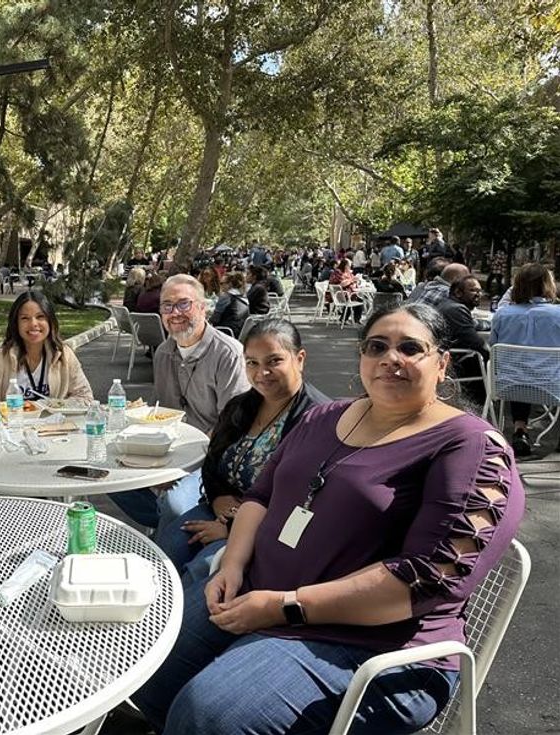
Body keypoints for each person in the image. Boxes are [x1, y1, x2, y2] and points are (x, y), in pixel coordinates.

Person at [132, 303, 524, 734]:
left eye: (410, 348)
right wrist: (233, 563)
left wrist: (285, 607)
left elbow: (428, 578)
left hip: (364, 643)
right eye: (377, 346)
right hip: (254, 592)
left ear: (442, 363)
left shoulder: (470, 448)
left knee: (207, 714)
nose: (391, 358)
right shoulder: (325, 415)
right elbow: (260, 496)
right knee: (147, 667)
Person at [156, 319, 329, 585]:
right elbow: (213, 461)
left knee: (199, 571)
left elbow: (305, 503)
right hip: (221, 510)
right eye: (252, 363)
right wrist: (218, 498)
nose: (262, 373)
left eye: (274, 361)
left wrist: (230, 529)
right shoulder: (240, 406)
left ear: (300, 359)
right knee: (164, 553)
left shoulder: (318, 421)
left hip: (268, 530)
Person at [111, 274, 250, 528]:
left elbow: (231, 426)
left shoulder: (228, 354)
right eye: (167, 306)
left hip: (210, 457)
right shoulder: (163, 353)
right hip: (169, 449)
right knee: (111, 476)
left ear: (202, 308)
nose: (175, 312)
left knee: (173, 504)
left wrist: (176, 467)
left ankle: (173, 529)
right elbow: (162, 413)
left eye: (183, 304)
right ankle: (176, 525)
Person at [0, 290, 93, 409]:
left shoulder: (64, 354)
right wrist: (7, 410)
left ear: (50, 321)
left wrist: (55, 407)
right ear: (16, 323)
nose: (33, 323)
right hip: (10, 426)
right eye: (25, 318)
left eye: (40, 317)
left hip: (53, 427)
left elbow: (85, 398)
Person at [490, 263, 560, 456]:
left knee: (519, 369)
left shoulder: (502, 314)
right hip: (552, 387)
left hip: (509, 387)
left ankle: (520, 429)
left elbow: (493, 346)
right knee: (534, 370)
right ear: (548, 285)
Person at [437, 275, 489, 407]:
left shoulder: (448, 304)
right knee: (481, 360)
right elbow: (476, 343)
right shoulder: (456, 309)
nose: (478, 294)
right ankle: (478, 409)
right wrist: (494, 359)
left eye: (479, 291)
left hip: (446, 356)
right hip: (453, 363)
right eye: (473, 291)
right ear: (458, 292)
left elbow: (472, 324)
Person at [209, 272, 249, 336]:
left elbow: (215, 319)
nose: (220, 286)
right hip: (239, 332)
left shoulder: (225, 297)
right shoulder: (244, 297)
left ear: (230, 284)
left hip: (224, 332)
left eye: (222, 283)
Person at [328, 258, 364, 323]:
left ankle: (355, 319)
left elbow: (352, 280)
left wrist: (356, 281)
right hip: (338, 295)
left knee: (360, 298)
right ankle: (345, 319)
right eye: (349, 266)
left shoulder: (347, 272)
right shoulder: (338, 272)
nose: (350, 268)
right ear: (345, 265)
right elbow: (342, 284)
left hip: (346, 293)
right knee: (354, 299)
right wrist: (352, 280)